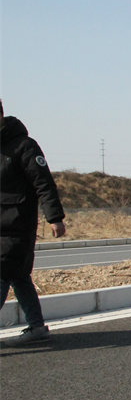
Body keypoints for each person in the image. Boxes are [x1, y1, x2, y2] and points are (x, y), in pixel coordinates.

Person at [1, 99, 67, 347]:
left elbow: (44, 183)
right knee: (19, 276)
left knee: (2, 271)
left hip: (17, 224)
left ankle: (37, 327)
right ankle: (37, 327)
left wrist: (55, 218)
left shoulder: (25, 146)